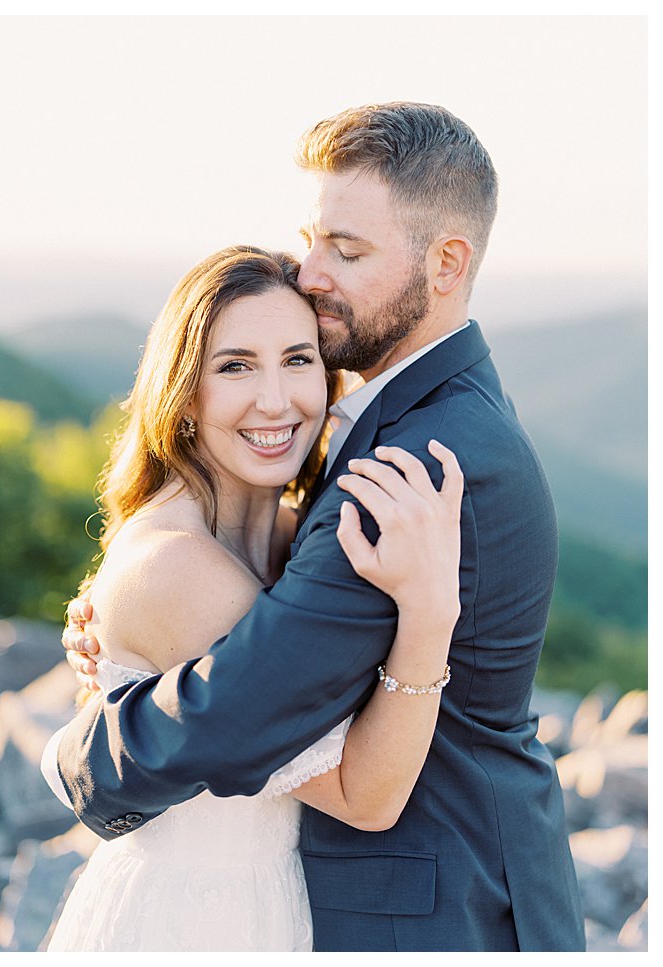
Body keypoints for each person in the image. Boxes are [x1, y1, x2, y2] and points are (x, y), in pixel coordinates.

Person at [52, 103, 584, 951]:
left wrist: (82, 748)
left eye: (348, 248)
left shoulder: (413, 464)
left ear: (448, 263)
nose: (311, 272)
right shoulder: (426, 415)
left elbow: (242, 699)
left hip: (439, 908)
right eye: (314, 237)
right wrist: (125, 616)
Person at [41, 245, 465, 950]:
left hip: (264, 899)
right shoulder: (179, 567)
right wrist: (429, 613)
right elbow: (368, 795)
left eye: (299, 360)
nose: (276, 399)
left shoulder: (290, 536)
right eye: (235, 365)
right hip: (191, 919)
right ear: (183, 392)